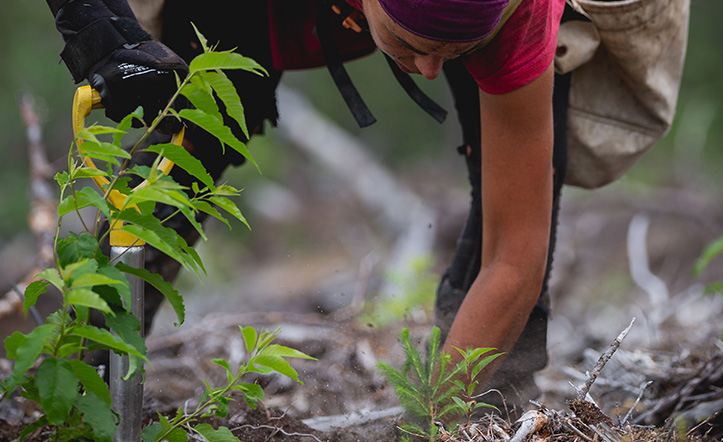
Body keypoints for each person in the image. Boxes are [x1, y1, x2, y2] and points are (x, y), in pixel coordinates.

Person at [45, 0, 570, 411]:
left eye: (450, 52)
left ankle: (484, 409)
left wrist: (434, 427)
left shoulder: (519, 13)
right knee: (191, 136)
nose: (429, 70)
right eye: (416, 44)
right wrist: (103, 33)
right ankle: (84, 392)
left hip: (499, 27)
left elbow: (516, 255)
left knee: (524, 176)